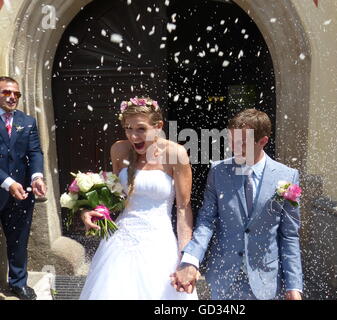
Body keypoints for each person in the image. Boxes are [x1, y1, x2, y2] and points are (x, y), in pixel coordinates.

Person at [171, 108, 303, 300]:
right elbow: (206, 221)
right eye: (231, 141)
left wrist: (294, 285)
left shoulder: (287, 177)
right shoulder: (218, 171)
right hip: (223, 278)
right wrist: (191, 260)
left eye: (242, 143)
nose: (234, 148)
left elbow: (289, 235)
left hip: (265, 281)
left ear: (263, 141)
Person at [79, 97, 198, 300]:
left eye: (141, 129)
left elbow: (183, 209)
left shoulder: (175, 154)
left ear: (158, 126)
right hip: (120, 241)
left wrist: (186, 259)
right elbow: (117, 196)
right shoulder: (119, 149)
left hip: (159, 242)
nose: (133, 136)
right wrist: (93, 210)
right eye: (128, 128)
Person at [0, 76, 46, 300]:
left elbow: (35, 152)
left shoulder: (27, 121)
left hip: (21, 193)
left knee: (19, 239)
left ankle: (18, 283)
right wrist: (8, 183)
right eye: (6, 92)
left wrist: (37, 177)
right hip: (6, 186)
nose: (12, 97)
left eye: (16, 94)